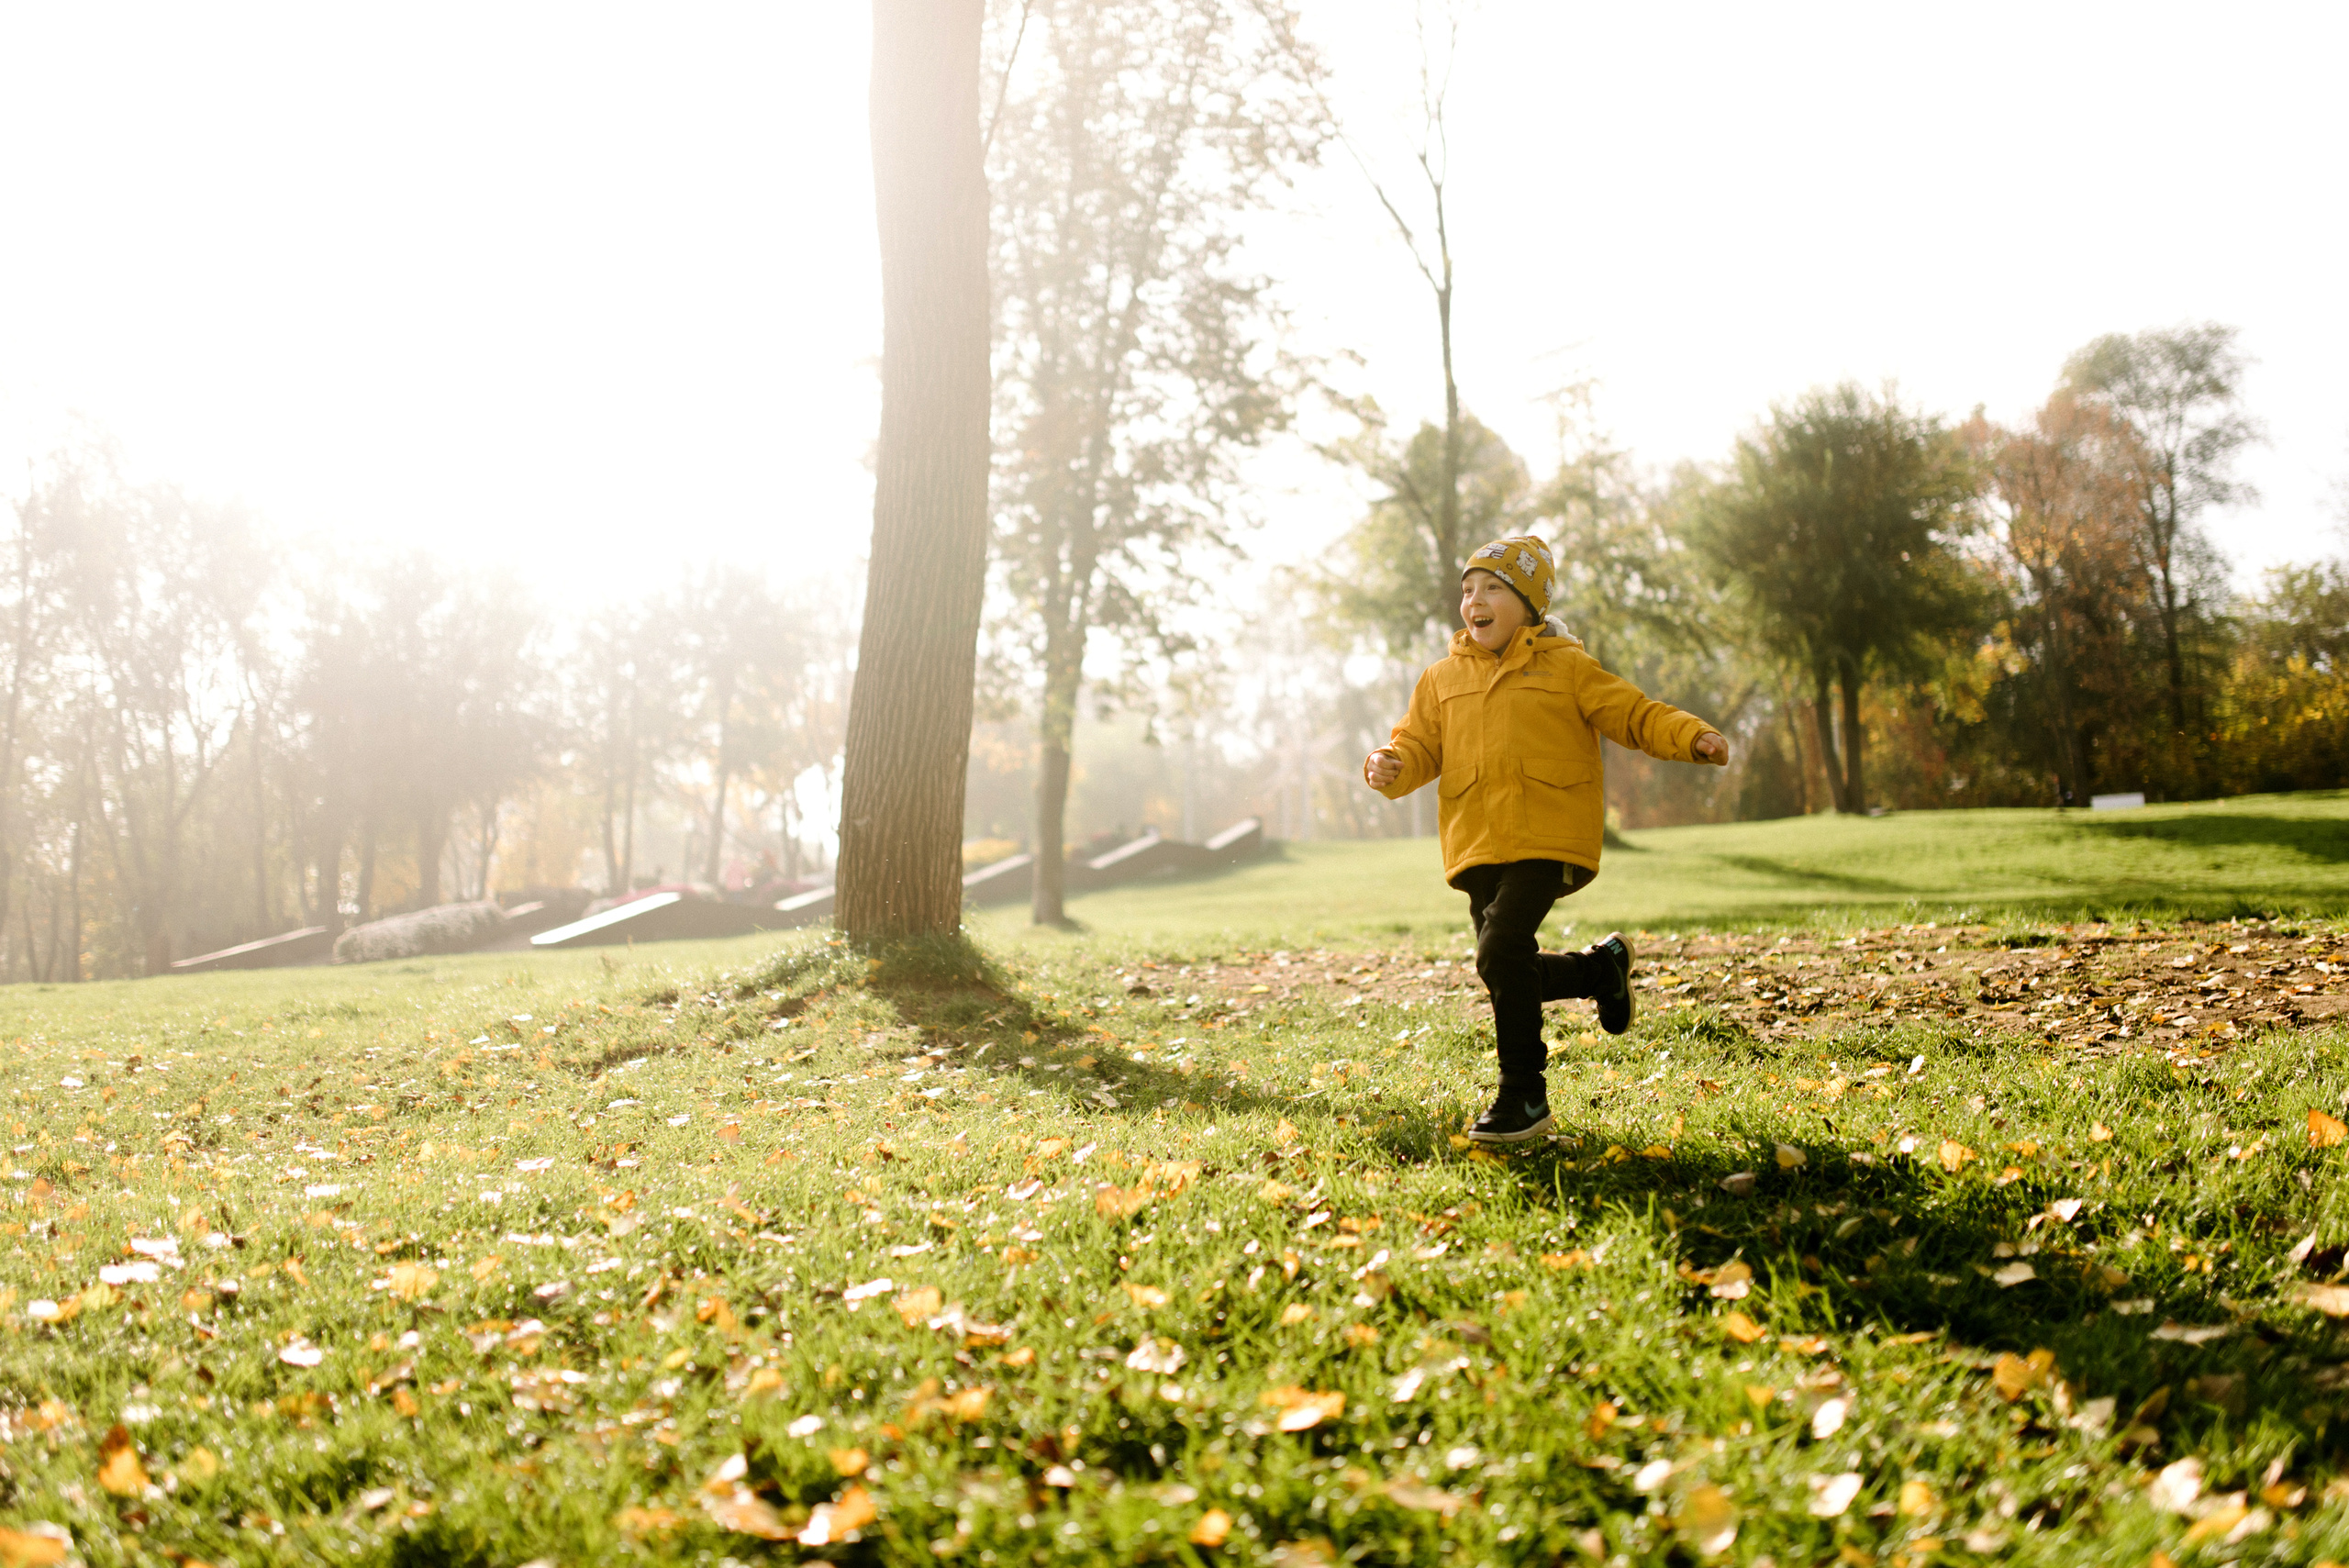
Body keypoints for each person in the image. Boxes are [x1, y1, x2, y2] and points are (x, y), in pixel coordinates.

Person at [1362, 535, 1728, 1145]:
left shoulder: (1566, 667)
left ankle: (1524, 1096)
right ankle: (1598, 970)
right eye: (1468, 589)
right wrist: (1392, 763)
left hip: (1548, 835)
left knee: (1498, 952)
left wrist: (1692, 735)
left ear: (1529, 604)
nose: (1474, 599)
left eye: (1493, 588)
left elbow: (1632, 713)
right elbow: (1420, 744)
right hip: (1477, 841)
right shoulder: (1442, 678)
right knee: (1507, 967)